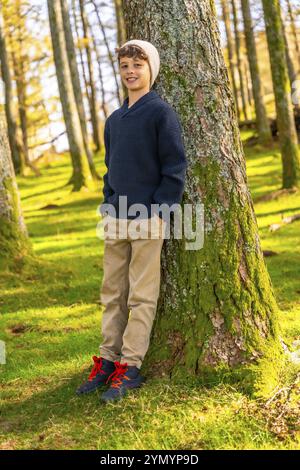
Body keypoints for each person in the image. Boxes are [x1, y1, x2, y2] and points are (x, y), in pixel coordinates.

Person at [76, 39, 187, 403]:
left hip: (148, 218)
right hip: (116, 218)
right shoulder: (114, 120)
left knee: (141, 295)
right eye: (124, 65)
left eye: (137, 65)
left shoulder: (160, 113)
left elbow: (175, 165)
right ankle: (107, 359)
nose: (130, 71)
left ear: (150, 70)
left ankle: (131, 365)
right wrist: (108, 203)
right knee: (112, 293)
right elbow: (112, 169)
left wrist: (160, 209)